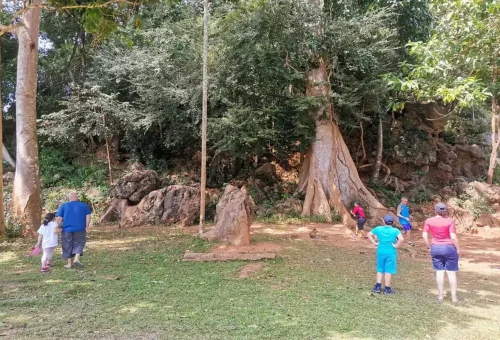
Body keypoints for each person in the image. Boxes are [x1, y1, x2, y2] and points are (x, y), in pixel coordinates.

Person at [423, 203, 460, 303]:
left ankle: (440, 296)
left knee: (439, 272)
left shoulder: (429, 221)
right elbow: (453, 237)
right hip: (449, 248)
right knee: (451, 273)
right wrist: (458, 248)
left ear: (435, 210)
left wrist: (429, 246)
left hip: (435, 247)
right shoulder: (450, 221)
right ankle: (454, 298)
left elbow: (424, 235)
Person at [367, 214, 404, 295]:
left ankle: (378, 287)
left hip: (380, 251)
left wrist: (375, 243)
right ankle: (387, 289)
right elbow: (401, 239)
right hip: (391, 252)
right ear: (393, 222)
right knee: (388, 270)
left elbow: (369, 234)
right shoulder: (395, 230)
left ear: (383, 221)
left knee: (380, 269)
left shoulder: (378, 229)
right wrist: (396, 246)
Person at [56, 192, 92, 269]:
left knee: (67, 245)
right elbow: (88, 216)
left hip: (67, 229)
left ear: (69, 198)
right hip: (80, 228)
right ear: (77, 197)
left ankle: (69, 264)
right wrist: (87, 226)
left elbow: (59, 218)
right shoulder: (84, 205)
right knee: (79, 243)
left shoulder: (64, 206)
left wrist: (59, 226)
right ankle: (76, 259)